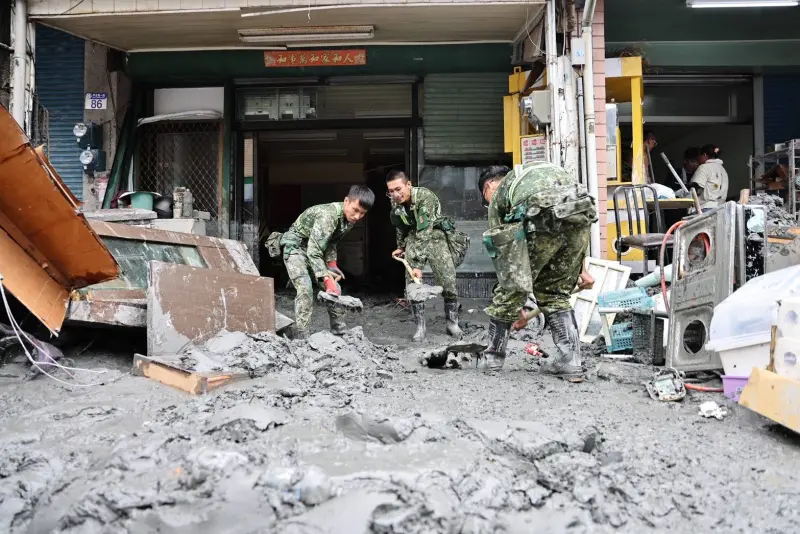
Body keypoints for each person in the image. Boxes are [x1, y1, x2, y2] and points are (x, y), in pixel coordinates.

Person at [478, 162, 596, 377]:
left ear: (488, 187)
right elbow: (567, 217)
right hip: (581, 211)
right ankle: (571, 362)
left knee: (507, 292)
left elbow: (504, 257)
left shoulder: (500, 193)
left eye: (485, 199)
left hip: (540, 216)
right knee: (555, 293)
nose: (488, 203)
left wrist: (514, 301)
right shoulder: (535, 173)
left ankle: (492, 358)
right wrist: (581, 270)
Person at [279, 185, 375, 339]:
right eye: (355, 210)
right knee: (305, 288)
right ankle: (302, 335)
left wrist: (332, 265)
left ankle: (339, 330)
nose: (357, 216)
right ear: (346, 201)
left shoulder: (348, 220)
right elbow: (314, 251)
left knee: (336, 288)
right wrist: (326, 279)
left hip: (313, 250)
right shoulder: (327, 216)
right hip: (296, 248)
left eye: (362, 213)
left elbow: (331, 242)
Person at [386, 170, 461, 341]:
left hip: (435, 236)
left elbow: (425, 231)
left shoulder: (424, 197)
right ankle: (420, 327)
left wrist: (418, 265)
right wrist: (401, 245)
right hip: (414, 237)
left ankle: (452, 323)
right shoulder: (395, 202)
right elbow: (400, 225)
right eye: (391, 191)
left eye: (398, 189)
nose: (395, 195)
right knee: (413, 284)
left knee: (448, 279)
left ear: (409, 185)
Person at [690, 144, 729, 212]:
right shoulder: (723, 170)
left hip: (705, 208)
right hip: (721, 209)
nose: (698, 159)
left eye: (699, 156)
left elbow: (696, 190)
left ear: (704, 155)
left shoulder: (704, 167)